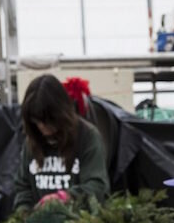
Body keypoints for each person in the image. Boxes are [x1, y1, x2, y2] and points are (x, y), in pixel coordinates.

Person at [13, 74, 110, 211]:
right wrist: (25, 214)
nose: (42, 128)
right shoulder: (32, 141)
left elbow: (98, 186)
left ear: (61, 113)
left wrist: (65, 198)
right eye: (37, 121)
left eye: (48, 121)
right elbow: (22, 188)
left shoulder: (87, 137)